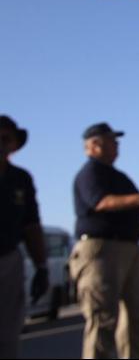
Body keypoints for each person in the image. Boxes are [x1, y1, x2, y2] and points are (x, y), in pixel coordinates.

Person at [70, 122, 139, 359]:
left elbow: (137, 202)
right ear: (94, 146)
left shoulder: (118, 176)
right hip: (101, 251)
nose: (117, 146)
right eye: (111, 141)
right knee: (102, 319)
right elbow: (102, 202)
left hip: (127, 250)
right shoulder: (90, 174)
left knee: (134, 317)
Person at [0, 116, 48, 358]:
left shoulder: (20, 179)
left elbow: (31, 225)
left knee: (7, 336)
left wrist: (42, 265)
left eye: (6, 139)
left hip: (8, 259)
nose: (1, 144)